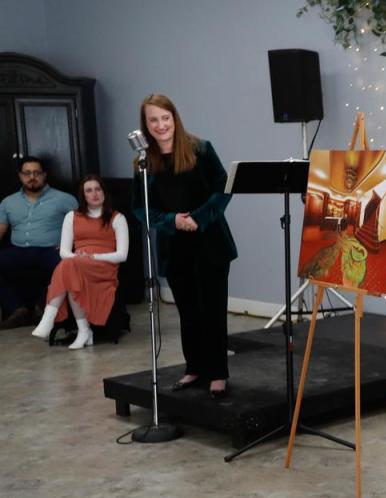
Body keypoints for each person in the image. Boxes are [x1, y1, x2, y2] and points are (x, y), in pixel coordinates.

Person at [132, 94, 236, 399]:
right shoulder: (143, 162)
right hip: (174, 246)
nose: (161, 125)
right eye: (154, 120)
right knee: (188, 312)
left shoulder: (200, 149)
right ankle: (195, 367)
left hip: (210, 242)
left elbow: (224, 188)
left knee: (212, 310)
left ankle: (217, 373)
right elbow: (141, 208)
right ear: (146, 125)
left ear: (174, 119)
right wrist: (170, 221)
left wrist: (199, 218)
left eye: (166, 118)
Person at [31, 175, 129, 348]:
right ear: (83, 196)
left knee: (69, 267)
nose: (94, 194)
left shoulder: (117, 218)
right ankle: (84, 331)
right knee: (70, 269)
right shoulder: (71, 216)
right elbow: (64, 252)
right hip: (77, 266)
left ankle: (50, 316)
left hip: (103, 268)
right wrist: (79, 258)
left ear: (104, 193)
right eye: (89, 190)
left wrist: (93, 257)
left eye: (98, 189)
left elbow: (122, 255)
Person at [0, 156, 79, 329]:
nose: (32, 177)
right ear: (20, 176)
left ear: (44, 175)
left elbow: (80, 227)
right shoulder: (8, 202)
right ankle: (17, 310)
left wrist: (72, 246)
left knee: (66, 265)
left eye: (37, 172)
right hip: (18, 250)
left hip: (50, 250)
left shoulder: (65, 199)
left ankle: (42, 307)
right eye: (27, 173)